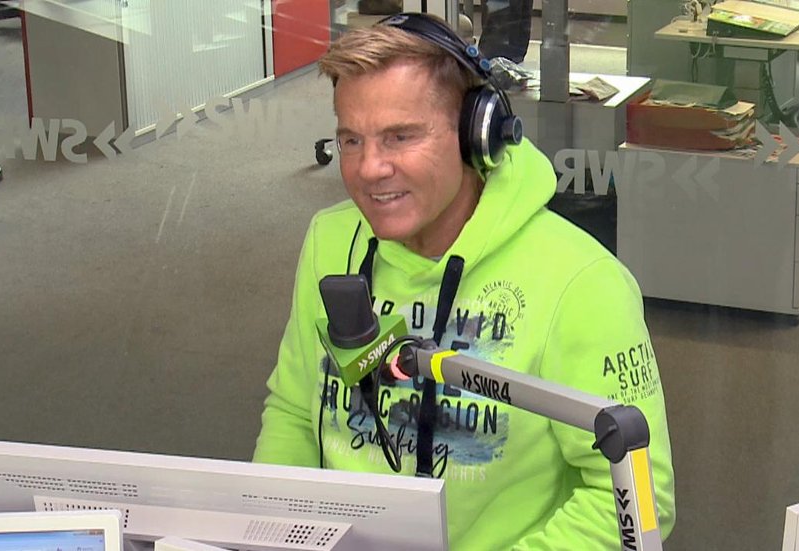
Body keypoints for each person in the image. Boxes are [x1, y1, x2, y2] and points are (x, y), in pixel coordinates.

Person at [253, 13, 675, 549]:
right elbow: (294, 411)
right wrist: (273, 533)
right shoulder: (331, 239)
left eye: (400, 136)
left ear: (476, 135)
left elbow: (641, 500)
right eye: (352, 140)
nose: (368, 168)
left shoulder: (583, 282)